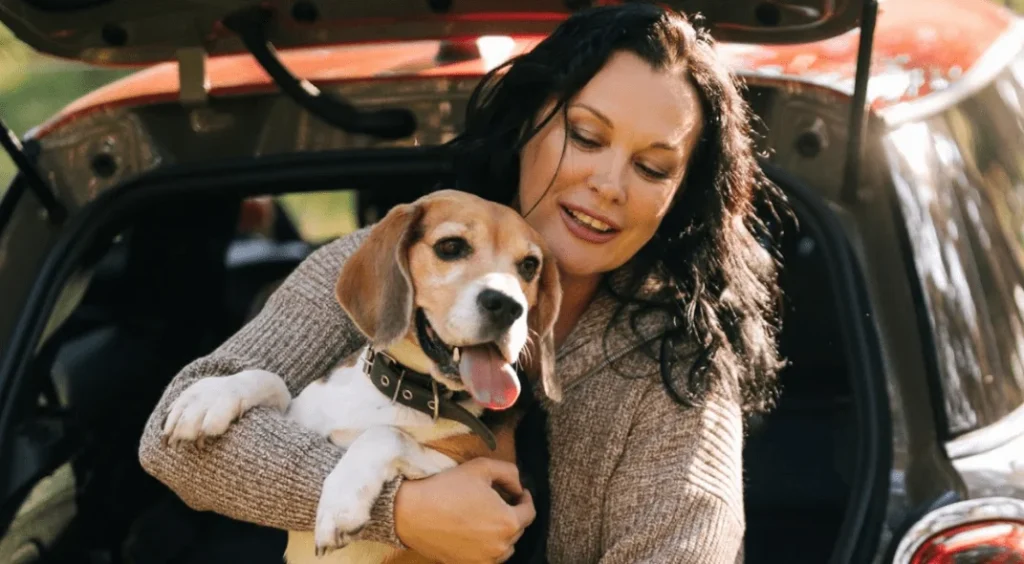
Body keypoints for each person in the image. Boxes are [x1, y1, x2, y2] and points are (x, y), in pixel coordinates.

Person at [138, 4, 785, 563]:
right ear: (531, 121)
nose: (610, 186)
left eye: (651, 166)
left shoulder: (680, 371)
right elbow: (175, 442)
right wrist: (401, 508)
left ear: (677, 199)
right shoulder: (392, 258)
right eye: (586, 136)